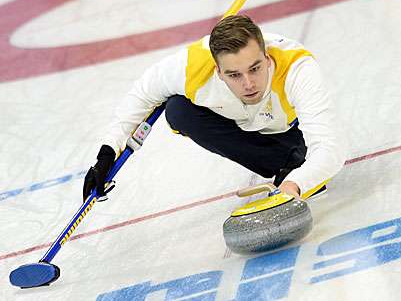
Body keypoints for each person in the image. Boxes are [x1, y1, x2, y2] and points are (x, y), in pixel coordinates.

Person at [82, 15, 347, 202]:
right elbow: (141, 95)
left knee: (313, 163)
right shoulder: (192, 66)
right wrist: (107, 152)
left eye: (255, 68)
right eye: (234, 75)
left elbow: (330, 148)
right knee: (178, 110)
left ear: (267, 57)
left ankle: (296, 164)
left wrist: (294, 185)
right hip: (242, 129)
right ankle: (284, 163)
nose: (248, 83)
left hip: (289, 128)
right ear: (218, 71)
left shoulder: (297, 67)